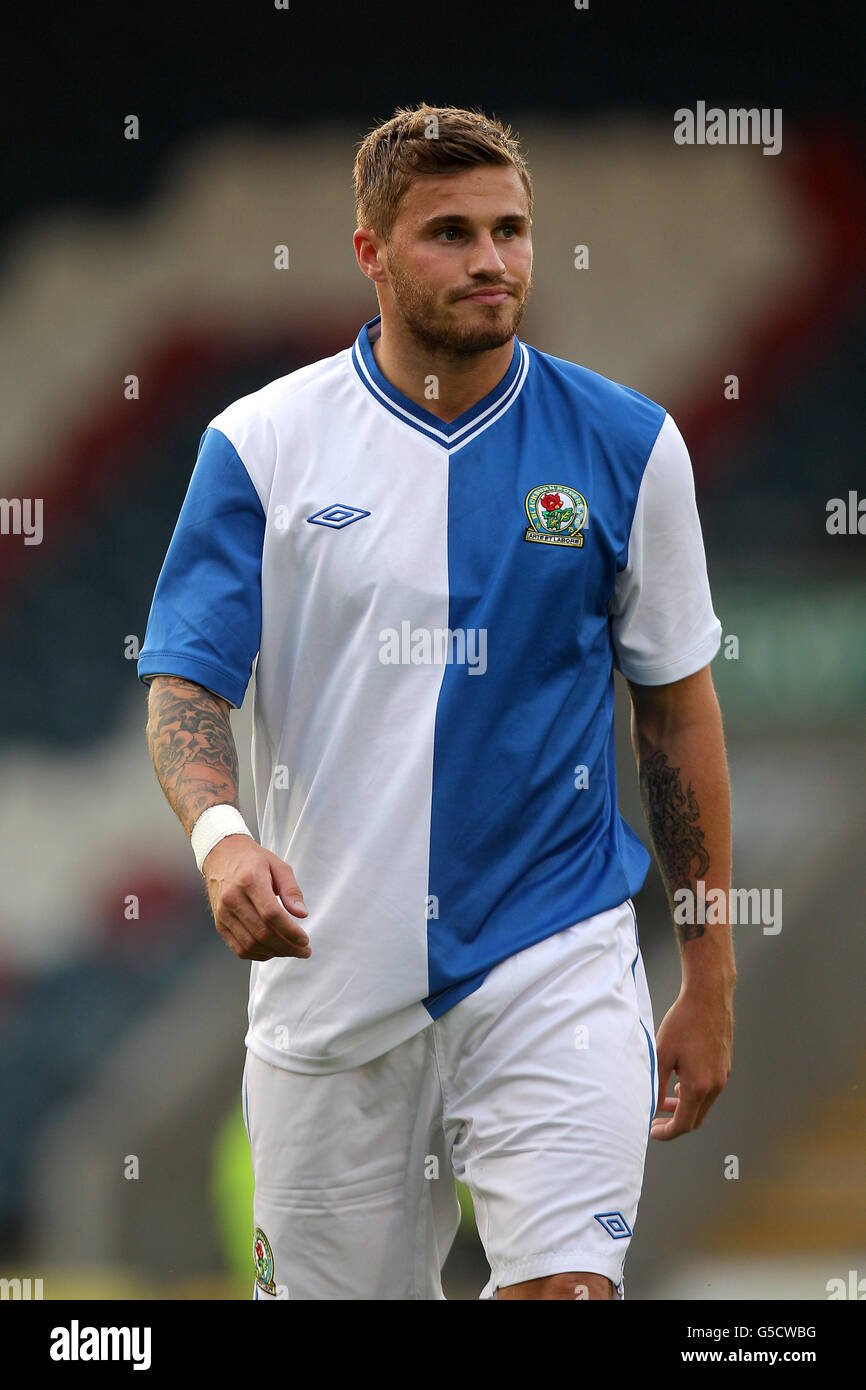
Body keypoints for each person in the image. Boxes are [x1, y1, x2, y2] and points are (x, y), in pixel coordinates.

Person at [138, 103, 734, 1301]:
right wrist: (220, 838)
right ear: (368, 252)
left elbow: (675, 714)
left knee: (565, 1289)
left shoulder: (629, 446)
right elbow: (185, 684)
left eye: (510, 231)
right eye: (449, 234)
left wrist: (711, 975)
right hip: (330, 974)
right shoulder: (259, 446)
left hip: (552, 954)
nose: (490, 261)